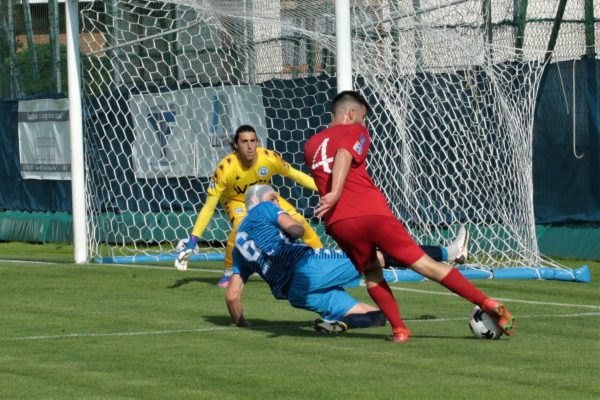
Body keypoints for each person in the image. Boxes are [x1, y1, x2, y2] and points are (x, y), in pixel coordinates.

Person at [304, 90, 514, 343]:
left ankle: (399, 330)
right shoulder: (356, 131)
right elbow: (344, 155)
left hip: (339, 223)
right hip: (371, 213)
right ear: (351, 114)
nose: (364, 123)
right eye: (363, 117)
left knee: (371, 272)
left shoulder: (312, 144)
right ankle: (487, 302)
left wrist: (334, 197)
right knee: (425, 265)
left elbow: (331, 163)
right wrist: (337, 192)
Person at [226, 184, 471, 334]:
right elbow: (294, 228)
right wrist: (298, 228)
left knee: (378, 316)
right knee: (380, 255)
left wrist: (241, 323)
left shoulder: (237, 246)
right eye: (272, 197)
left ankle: (340, 324)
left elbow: (233, 296)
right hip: (308, 267)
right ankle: (452, 253)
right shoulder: (263, 209)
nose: (277, 201)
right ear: (256, 202)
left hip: (295, 294)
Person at [175, 124, 323, 288]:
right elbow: (209, 207)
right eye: (244, 142)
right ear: (236, 145)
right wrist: (193, 241)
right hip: (236, 200)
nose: (250, 146)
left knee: (299, 221)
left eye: (253, 141)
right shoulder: (226, 168)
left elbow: (295, 174)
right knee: (240, 229)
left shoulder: (269, 158)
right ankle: (229, 272)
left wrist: (325, 189)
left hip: (263, 197)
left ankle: (322, 260)